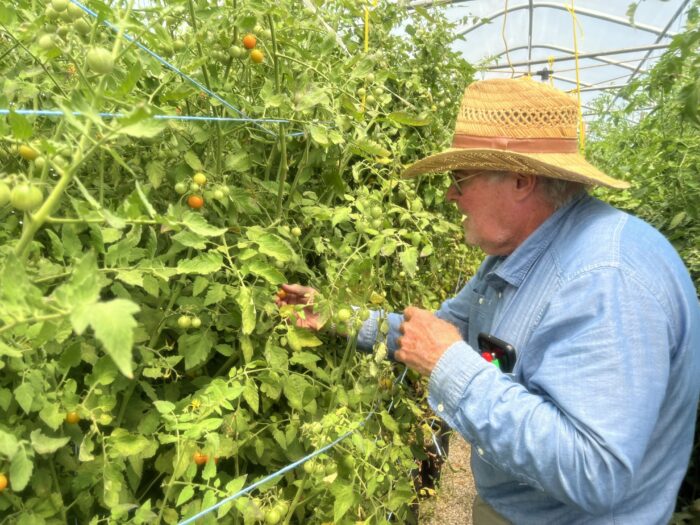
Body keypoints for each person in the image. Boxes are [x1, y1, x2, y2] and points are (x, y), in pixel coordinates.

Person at [276, 77, 700, 524]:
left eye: (461, 178)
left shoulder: (606, 280)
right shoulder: (519, 253)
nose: (450, 194)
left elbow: (595, 471)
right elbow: (444, 332)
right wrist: (335, 315)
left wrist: (449, 366)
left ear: (521, 180)